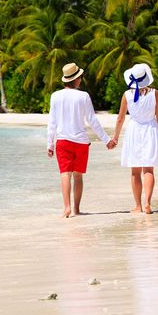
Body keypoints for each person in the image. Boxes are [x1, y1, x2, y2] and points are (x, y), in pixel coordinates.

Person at [47, 63, 115, 218]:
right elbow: (92, 121)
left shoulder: (55, 96)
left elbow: (52, 122)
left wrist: (49, 144)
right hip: (81, 143)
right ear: (76, 79)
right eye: (80, 77)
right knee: (78, 176)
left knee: (65, 174)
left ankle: (67, 208)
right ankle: (77, 209)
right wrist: (106, 140)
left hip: (63, 141)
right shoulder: (83, 96)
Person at [112, 63, 158, 214]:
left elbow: (120, 118)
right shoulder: (154, 93)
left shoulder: (127, 95)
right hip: (151, 130)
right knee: (148, 169)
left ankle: (138, 206)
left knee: (135, 171)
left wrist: (115, 138)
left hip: (134, 131)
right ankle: (148, 203)